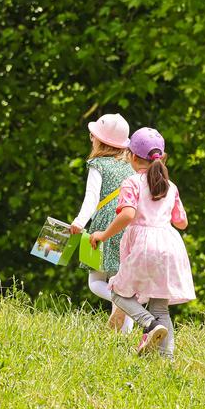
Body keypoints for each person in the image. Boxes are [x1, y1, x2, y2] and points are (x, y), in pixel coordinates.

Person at [89, 127, 195, 358]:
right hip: (170, 246)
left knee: (117, 292)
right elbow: (182, 222)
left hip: (144, 247)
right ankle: (166, 360)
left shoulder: (132, 182)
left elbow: (127, 214)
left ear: (132, 156)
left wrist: (102, 235)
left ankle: (148, 324)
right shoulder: (170, 186)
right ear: (161, 158)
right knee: (160, 308)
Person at [70, 113, 136, 333]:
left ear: (100, 140)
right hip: (129, 224)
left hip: (105, 225)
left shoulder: (97, 164)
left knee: (95, 281)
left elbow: (92, 197)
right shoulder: (131, 164)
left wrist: (79, 222)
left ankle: (125, 302)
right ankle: (125, 332)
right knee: (123, 281)